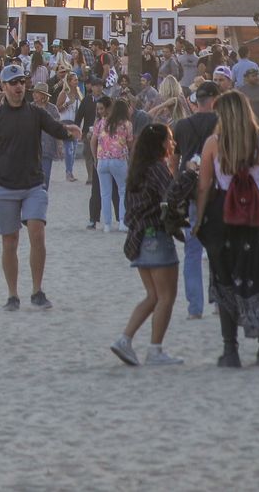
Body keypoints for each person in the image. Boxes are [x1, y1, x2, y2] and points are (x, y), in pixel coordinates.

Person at [195, 90, 259, 368]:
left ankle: (230, 350)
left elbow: (204, 186)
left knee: (225, 280)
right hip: (255, 218)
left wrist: (199, 219)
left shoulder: (214, 143)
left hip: (223, 218)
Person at [0, 63, 80, 311]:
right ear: (3, 87)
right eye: (13, 83)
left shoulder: (35, 113)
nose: (18, 87)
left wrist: (70, 132)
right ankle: (13, 295)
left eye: (22, 82)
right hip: (3, 186)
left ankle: (37, 291)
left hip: (33, 184)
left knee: (37, 232)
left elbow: (55, 128)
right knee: (10, 240)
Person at [111, 121, 186, 367]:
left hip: (139, 237)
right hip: (156, 236)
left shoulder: (138, 169)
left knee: (153, 295)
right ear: (160, 143)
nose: (173, 144)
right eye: (170, 139)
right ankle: (155, 350)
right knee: (167, 296)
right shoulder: (157, 168)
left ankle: (125, 339)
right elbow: (171, 198)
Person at [172, 81, 222, 318]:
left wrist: (175, 183)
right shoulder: (221, 125)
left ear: (196, 102)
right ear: (214, 100)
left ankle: (195, 307)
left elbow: (174, 159)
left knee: (192, 251)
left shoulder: (182, 125)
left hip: (189, 189)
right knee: (217, 248)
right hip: (215, 189)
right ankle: (219, 301)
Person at [93, 97, 134, 233]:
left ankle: (107, 225)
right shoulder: (126, 124)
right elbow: (130, 143)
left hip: (102, 160)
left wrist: (95, 158)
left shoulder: (102, 122)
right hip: (118, 159)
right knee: (123, 190)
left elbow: (93, 140)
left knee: (105, 193)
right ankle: (122, 222)